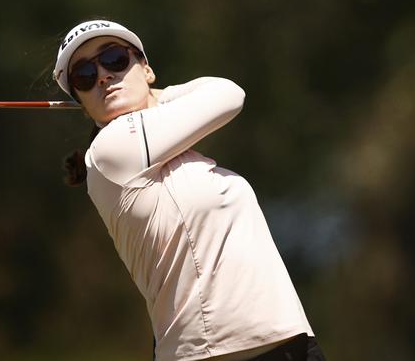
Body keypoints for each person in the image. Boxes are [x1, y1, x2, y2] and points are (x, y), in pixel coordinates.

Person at [53, 19, 326, 361]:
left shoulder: (175, 157)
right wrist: (158, 94)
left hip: (288, 345)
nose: (103, 76)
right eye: (84, 76)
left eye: (113, 60)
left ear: (146, 68)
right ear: (82, 103)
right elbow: (228, 95)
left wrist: (152, 97)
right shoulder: (113, 147)